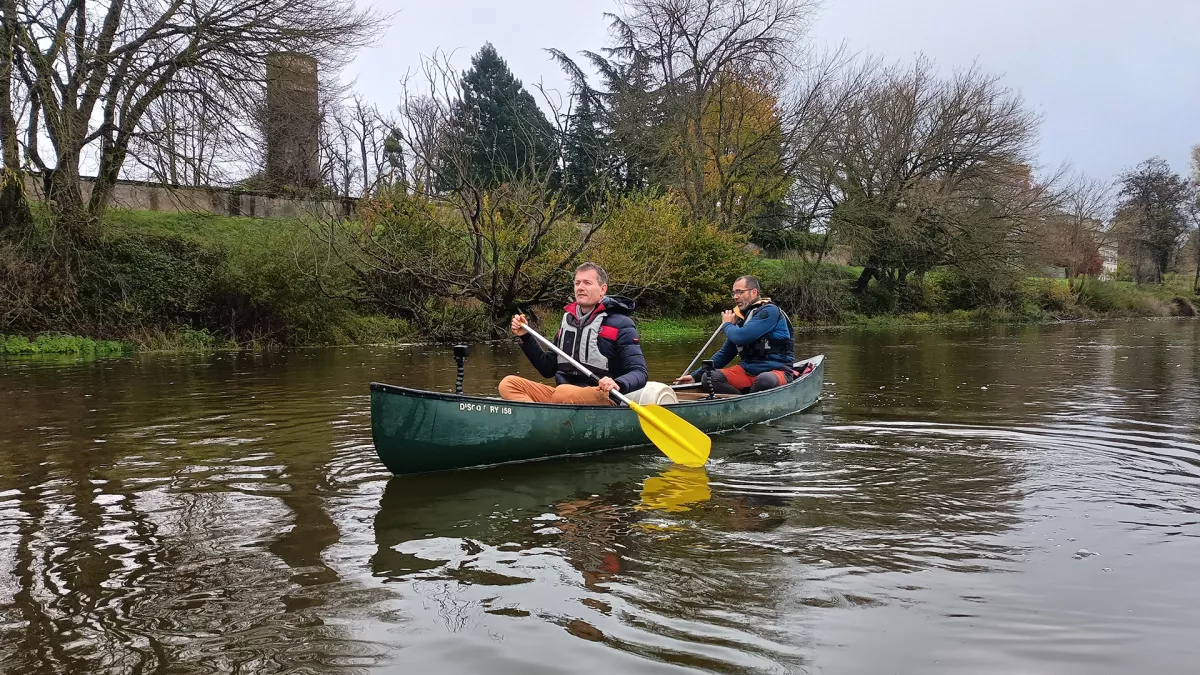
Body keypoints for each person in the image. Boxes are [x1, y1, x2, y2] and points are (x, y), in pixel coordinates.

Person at [499, 262, 648, 405]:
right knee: (508, 384)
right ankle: (538, 418)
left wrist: (617, 383)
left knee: (562, 393)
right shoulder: (568, 322)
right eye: (577, 283)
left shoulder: (622, 324)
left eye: (587, 283)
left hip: (601, 396)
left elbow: (640, 372)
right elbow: (547, 369)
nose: (580, 288)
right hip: (563, 395)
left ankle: (550, 414)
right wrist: (525, 335)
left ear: (603, 289)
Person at [674, 275, 795, 394]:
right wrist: (696, 376)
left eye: (739, 292)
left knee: (765, 380)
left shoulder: (769, 311)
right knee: (709, 377)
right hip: (747, 371)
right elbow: (725, 353)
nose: (736, 297)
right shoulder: (743, 319)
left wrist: (727, 325)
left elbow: (741, 337)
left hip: (777, 371)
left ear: (754, 292)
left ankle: (747, 401)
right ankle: (738, 402)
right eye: (734, 293)